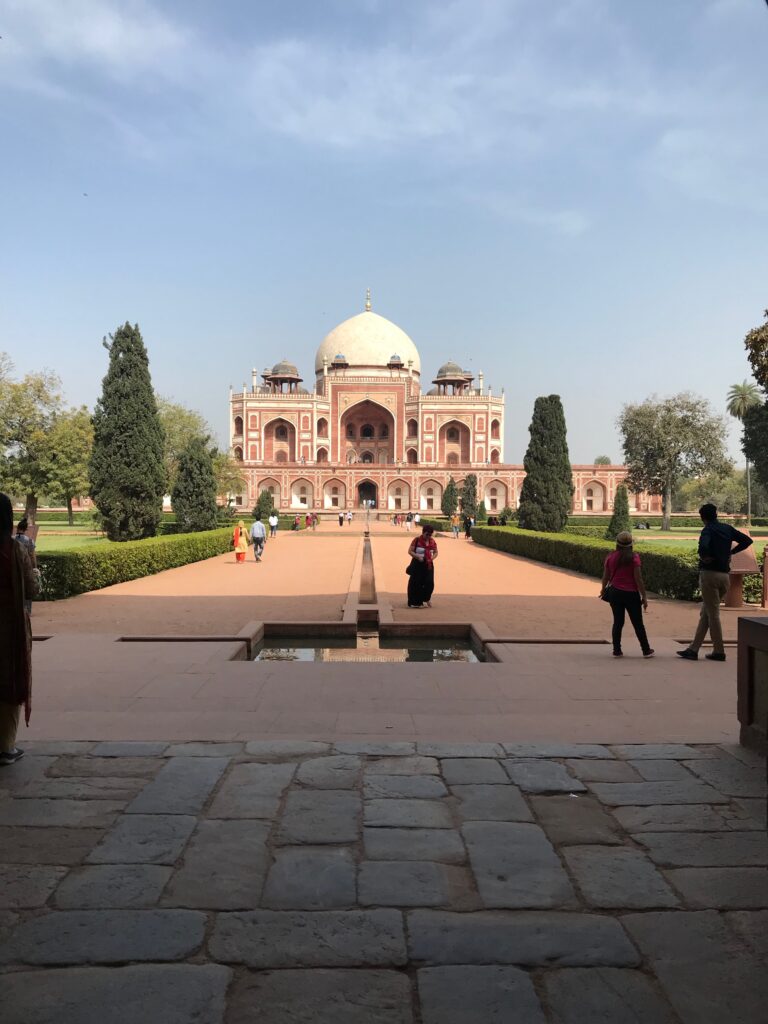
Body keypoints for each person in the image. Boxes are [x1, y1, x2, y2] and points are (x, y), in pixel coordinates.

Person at [677, 503, 753, 662]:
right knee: (707, 613)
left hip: (709, 575)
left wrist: (705, 556)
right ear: (716, 515)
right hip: (725, 576)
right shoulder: (727, 528)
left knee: (713, 615)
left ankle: (719, 651)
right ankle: (693, 649)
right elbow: (747, 541)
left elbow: (704, 545)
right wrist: (731, 552)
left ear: (702, 517)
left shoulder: (708, 530)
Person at [1, 493, 40, 766]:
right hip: (9, 626)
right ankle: (5, 747)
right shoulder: (15, 550)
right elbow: (33, 588)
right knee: (9, 682)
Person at [599, 531, 654, 658]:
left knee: (618, 622)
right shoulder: (634, 558)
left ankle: (617, 650)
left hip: (615, 592)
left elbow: (605, 576)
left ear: (617, 543)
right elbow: (638, 579)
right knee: (638, 623)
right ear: (631, 544)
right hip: (631, 594)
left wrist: (603, 589)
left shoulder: (611, 557)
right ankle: (645, 650)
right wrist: (644, 596)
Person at [407, 524, 438, 608]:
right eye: (427, 534)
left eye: (430, 535)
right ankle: (415, 602)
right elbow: (410, 551)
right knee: (416, 583)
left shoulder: (432, 541)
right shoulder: (417, 540)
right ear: (423, 532)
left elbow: (436, 552)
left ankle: (426, 598)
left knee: (429, 583)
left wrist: (432, 558)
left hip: (428, 564)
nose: (428, 536)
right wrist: (417, 557)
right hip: (418, 563)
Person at [15, 518, 36, 615]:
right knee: (27, 587)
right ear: (25, 529)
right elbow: (32, 555)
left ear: (17, 528)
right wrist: (35, 567)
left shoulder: (11, 539)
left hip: (14, 567)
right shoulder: (29, 541)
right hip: (26, 568)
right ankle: (27, 610)